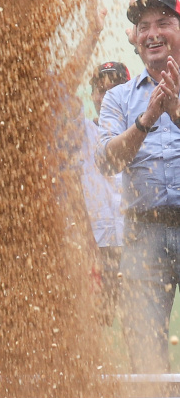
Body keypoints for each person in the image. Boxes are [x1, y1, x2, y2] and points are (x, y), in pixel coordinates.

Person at [98, 0, 180, 373]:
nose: (152, 33)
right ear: (134, 38)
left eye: (162, 22)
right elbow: (107, 161)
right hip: (142, 234)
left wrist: (176, 113)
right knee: (145, 354)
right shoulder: (117, 98)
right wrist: (147, 119)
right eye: (142, 26)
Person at [82, 62, 129, 327]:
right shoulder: (82, 133)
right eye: (100, 89)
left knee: (137, 329)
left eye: (114, 88)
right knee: (95, 330)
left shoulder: (146, 130)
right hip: (95, 251)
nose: (106, 96)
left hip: (135, 248)